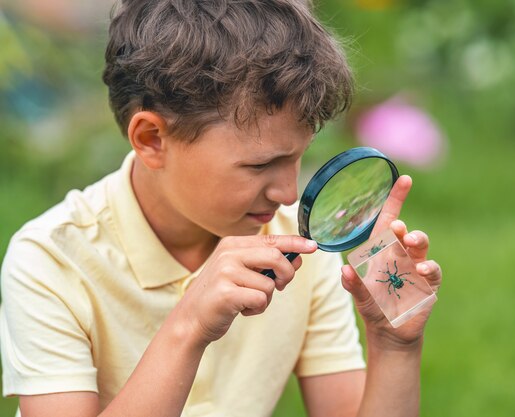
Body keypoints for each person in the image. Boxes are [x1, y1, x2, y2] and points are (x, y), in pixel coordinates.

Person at [0, 1, 442, 416]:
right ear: (152, 139)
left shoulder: (299, 245)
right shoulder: (51, 261)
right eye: (260, 164)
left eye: (298, 157)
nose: (289, 194)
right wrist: (189, 326)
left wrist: (393, 346)